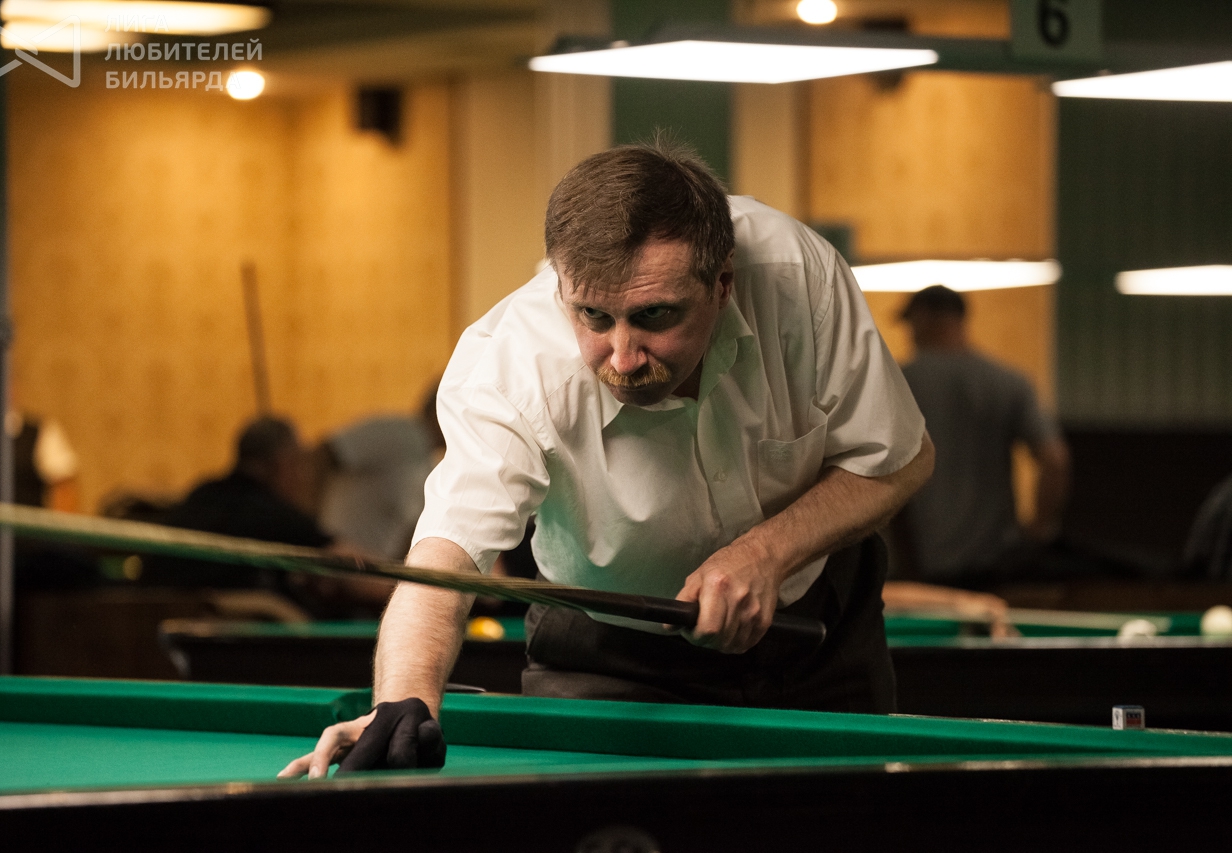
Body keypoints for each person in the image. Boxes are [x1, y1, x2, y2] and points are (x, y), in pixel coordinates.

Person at [281, 141, 933, 778]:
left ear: (722, 283)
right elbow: (446, 557)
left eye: (655, 315)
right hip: (609, 654)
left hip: (815, 631)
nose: (622, 356)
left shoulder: (797, 277)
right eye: (593, 315)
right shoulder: (512, 366)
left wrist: (768, 553)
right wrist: (402, 701)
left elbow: (901, 458)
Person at [893, 285, 1070, 585]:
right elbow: (1054, 460)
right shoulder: (1008, 381)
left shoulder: (899, 383)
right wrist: (1039, 530)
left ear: (923, 318)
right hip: (997, 561)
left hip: (922, 561)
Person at [144, 416, 393, 614]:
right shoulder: (268, 511)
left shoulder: (203, 493)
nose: (301, 478)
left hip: (147, 621)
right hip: (211, 633)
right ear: (281, 463)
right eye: (297, 464)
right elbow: (359, 573)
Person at [316, 383, 445, 563]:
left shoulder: (429, 463)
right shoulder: (399, 432)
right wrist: (311, 529)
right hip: (334, 562)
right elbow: (323, 455)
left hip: (366, 571)